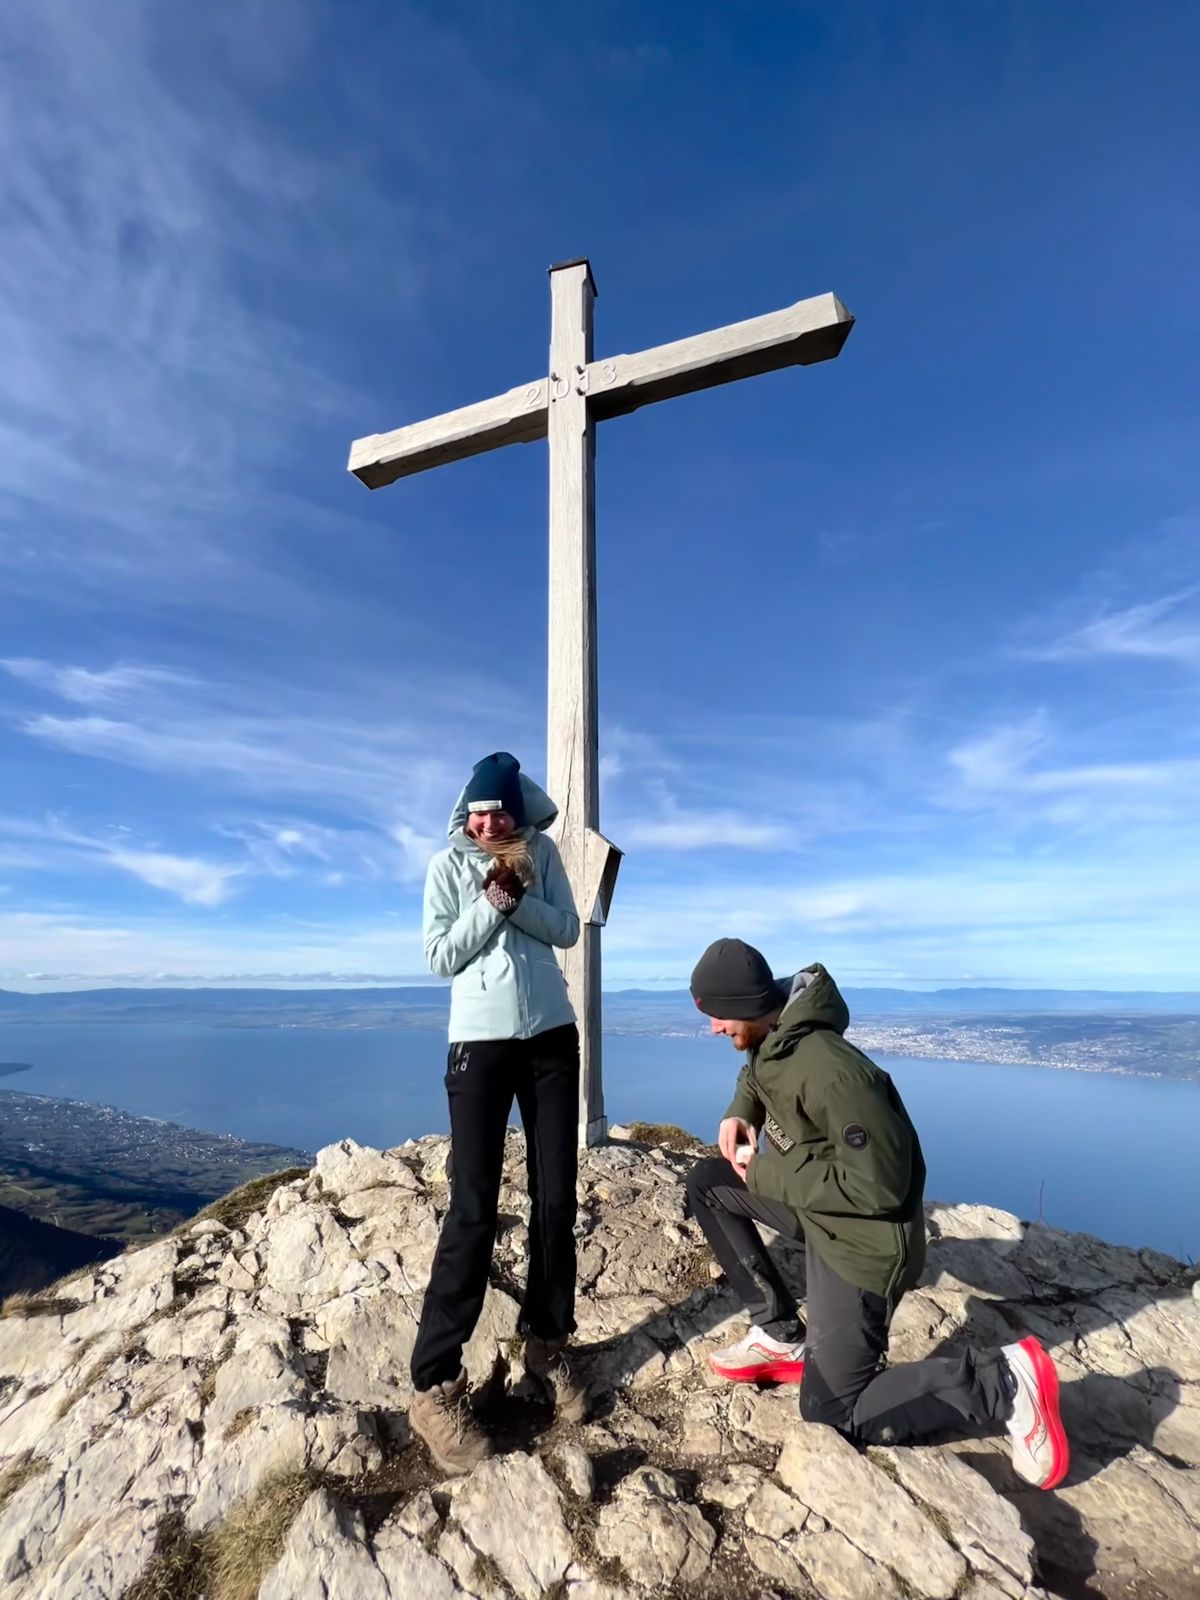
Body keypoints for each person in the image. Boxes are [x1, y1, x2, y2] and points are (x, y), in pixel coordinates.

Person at [686, 937, 1070, 1491]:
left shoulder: (833, 1072)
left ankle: (1005, 1383)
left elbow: (882, 1187)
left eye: (718, 1016)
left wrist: (764, 1174)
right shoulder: (775, 1035)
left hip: (862, 1248)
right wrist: (740, 1109)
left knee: (834, 1409)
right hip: (821, 1215)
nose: (715, 1029)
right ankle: (778, 1332)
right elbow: (759, 1073)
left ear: (747, 1005)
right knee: (708, 1183)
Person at [408, 752, 587, 1474]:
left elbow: (568, 930)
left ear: (516, 809)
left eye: (499, 812)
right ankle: (433, 1385)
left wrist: (523, 899)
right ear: (466, 813)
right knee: (474, 1207)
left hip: (550, 1040)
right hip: (478, 1046)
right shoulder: (446, 865)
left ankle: (547, 1345)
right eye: (478, 813)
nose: (489, 823)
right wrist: (489, 903)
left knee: (556, 1199)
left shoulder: (541, 853)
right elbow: (438, 957)